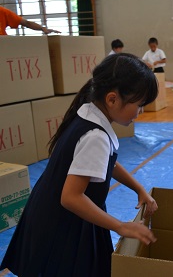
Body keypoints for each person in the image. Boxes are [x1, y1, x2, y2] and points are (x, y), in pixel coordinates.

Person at [0, 53, 159, 277]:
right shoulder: (96, 136)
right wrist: (120, 226)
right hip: (64, 222)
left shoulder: (89, 111)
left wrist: (138, 188)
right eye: (139, 104)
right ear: (112, 99)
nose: (140, 112)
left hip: (52, 211)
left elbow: (108, 163)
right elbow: (71, 197)